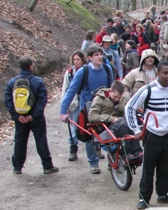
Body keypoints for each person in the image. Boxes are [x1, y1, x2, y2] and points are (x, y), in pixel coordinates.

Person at [125, 61, 168, 209]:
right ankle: (144, 198)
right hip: (152, 134)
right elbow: (130, 107)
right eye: (165, 73)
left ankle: (162, 195)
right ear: (158, 74)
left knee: (166, 167)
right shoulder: (148, 90)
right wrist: (136, 129)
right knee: (148, 168)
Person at [60, 44, 114, 174]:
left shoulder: (107, 69)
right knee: (90, 136)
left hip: (105, 107)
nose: (100, 57)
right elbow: (71, 91)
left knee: (110, 134)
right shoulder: (83, 72)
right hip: (88, 108)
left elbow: (112, 88)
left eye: (100, 54)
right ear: (89, 57)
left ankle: (112, 160)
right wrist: (63, 110)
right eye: (96, 55)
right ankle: (93, 163)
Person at [4, 55, 59, 175]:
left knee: (20, 141)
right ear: (31, 66)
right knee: (41, 140)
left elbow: (8, 101)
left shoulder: (12, 83)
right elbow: (42, 100)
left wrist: (17, 116)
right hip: (36, 118)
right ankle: (47, 166)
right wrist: (33, 115)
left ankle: (17, 167)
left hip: (20, 117)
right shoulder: (38, 81)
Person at [89, 81, 142, 159]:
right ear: (110, 91)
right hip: (105, 125)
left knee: (131, 124)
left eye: (119, 97)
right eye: (115, 96)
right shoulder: (99, 99)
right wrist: (110, 118)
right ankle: (126, 153)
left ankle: (137, 151)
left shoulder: (122, 99)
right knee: (123, 126)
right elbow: (92, 116)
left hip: (119, 121)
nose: (117, 99)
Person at [60, 50, 87, 162]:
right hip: (74, 103)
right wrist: (64, 107)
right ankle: (73, 148)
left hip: (85, 102)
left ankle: (96, 148)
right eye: (74, 60)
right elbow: (66, 89)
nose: (76, 62)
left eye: (78, 60)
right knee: (74, 126)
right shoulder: (70, 73)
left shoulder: (87, 71)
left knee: (90, 126)